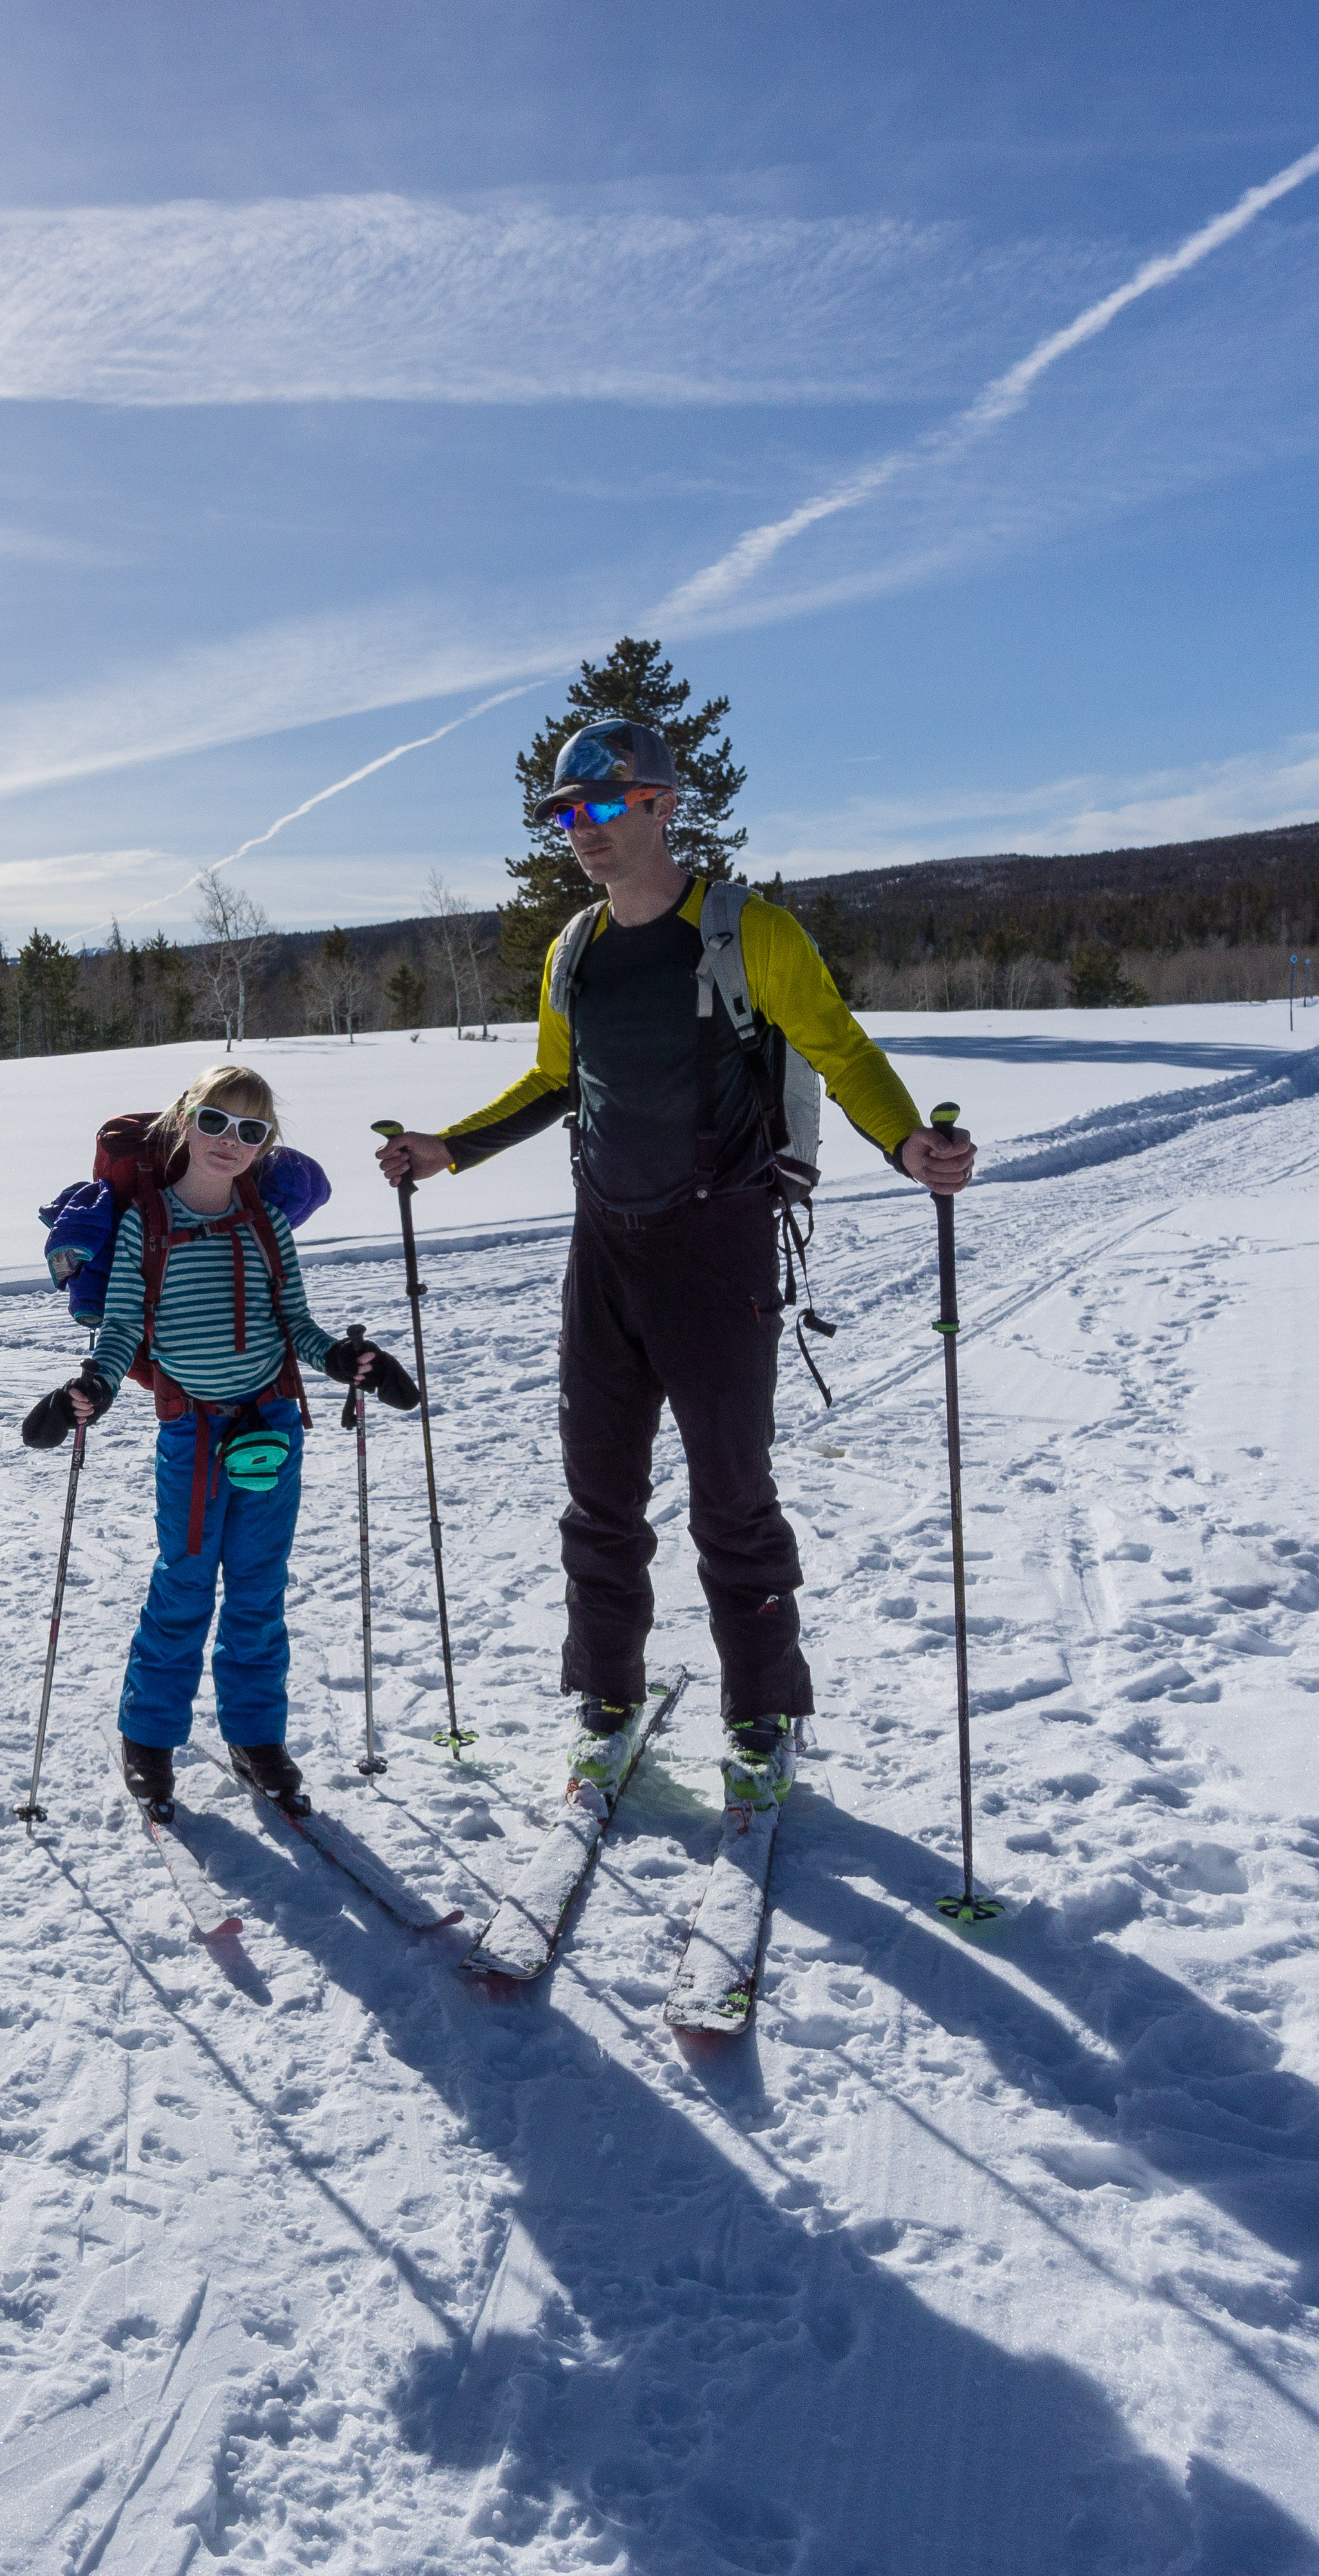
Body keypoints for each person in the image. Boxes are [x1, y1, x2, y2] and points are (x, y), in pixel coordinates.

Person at [372, 717, 974, 1812]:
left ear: (662, 803)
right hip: (603, 1243)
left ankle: (761, 1710)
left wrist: (908, 1146)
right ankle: (607, 1703)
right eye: (563, 813)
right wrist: (447, 1149)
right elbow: (557, 1081)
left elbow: (840, 1049)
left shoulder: (752, 932)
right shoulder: (575, 951)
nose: (581, 831)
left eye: (602, 806)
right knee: (597, 1494)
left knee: (731, 1498)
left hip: (719, 1240)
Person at [21, 1065, 421, 1823]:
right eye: (214, 1122)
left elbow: (297, 1322)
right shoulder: (148, 1223)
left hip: (271, 1424)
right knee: (184, 1583)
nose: (229, 1142)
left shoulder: (264, 1219)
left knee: (259, 1588)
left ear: (266, 1145)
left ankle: (257, 1737)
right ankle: (148, 1738)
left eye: (251, 1131)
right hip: (191, 1431)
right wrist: (92, 1390)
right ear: (184, 1122)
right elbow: (123, 1327)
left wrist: (341, 1358)